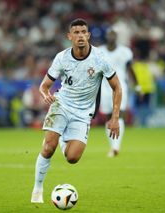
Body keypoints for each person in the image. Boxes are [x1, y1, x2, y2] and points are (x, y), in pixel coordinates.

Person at [31, 18, 122, 203]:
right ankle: (37, 189)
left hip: (83, 114)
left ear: (88, 35)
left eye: (83, 32)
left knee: (72, 158)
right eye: (76, 32)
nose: (80, 36)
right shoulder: (61, 57)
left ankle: (62, 136)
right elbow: (44, 85)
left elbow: (117, 87)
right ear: (70, 36)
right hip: (61, 105)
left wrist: (115, 118)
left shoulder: (100, 58)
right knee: (48, 148)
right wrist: (45, 94)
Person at [99, 28, 134, 157]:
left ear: (116, 37)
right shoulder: (99, 51)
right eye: (109, 34)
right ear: (106, 36)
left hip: (120, 86)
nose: (111, 37)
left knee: (119, 115)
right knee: (109, 117)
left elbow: (131, 69)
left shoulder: (125, 51)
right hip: (104, 87)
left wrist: (137, 86)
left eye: (113, 34)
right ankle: (113, 146)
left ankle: (116, 147)